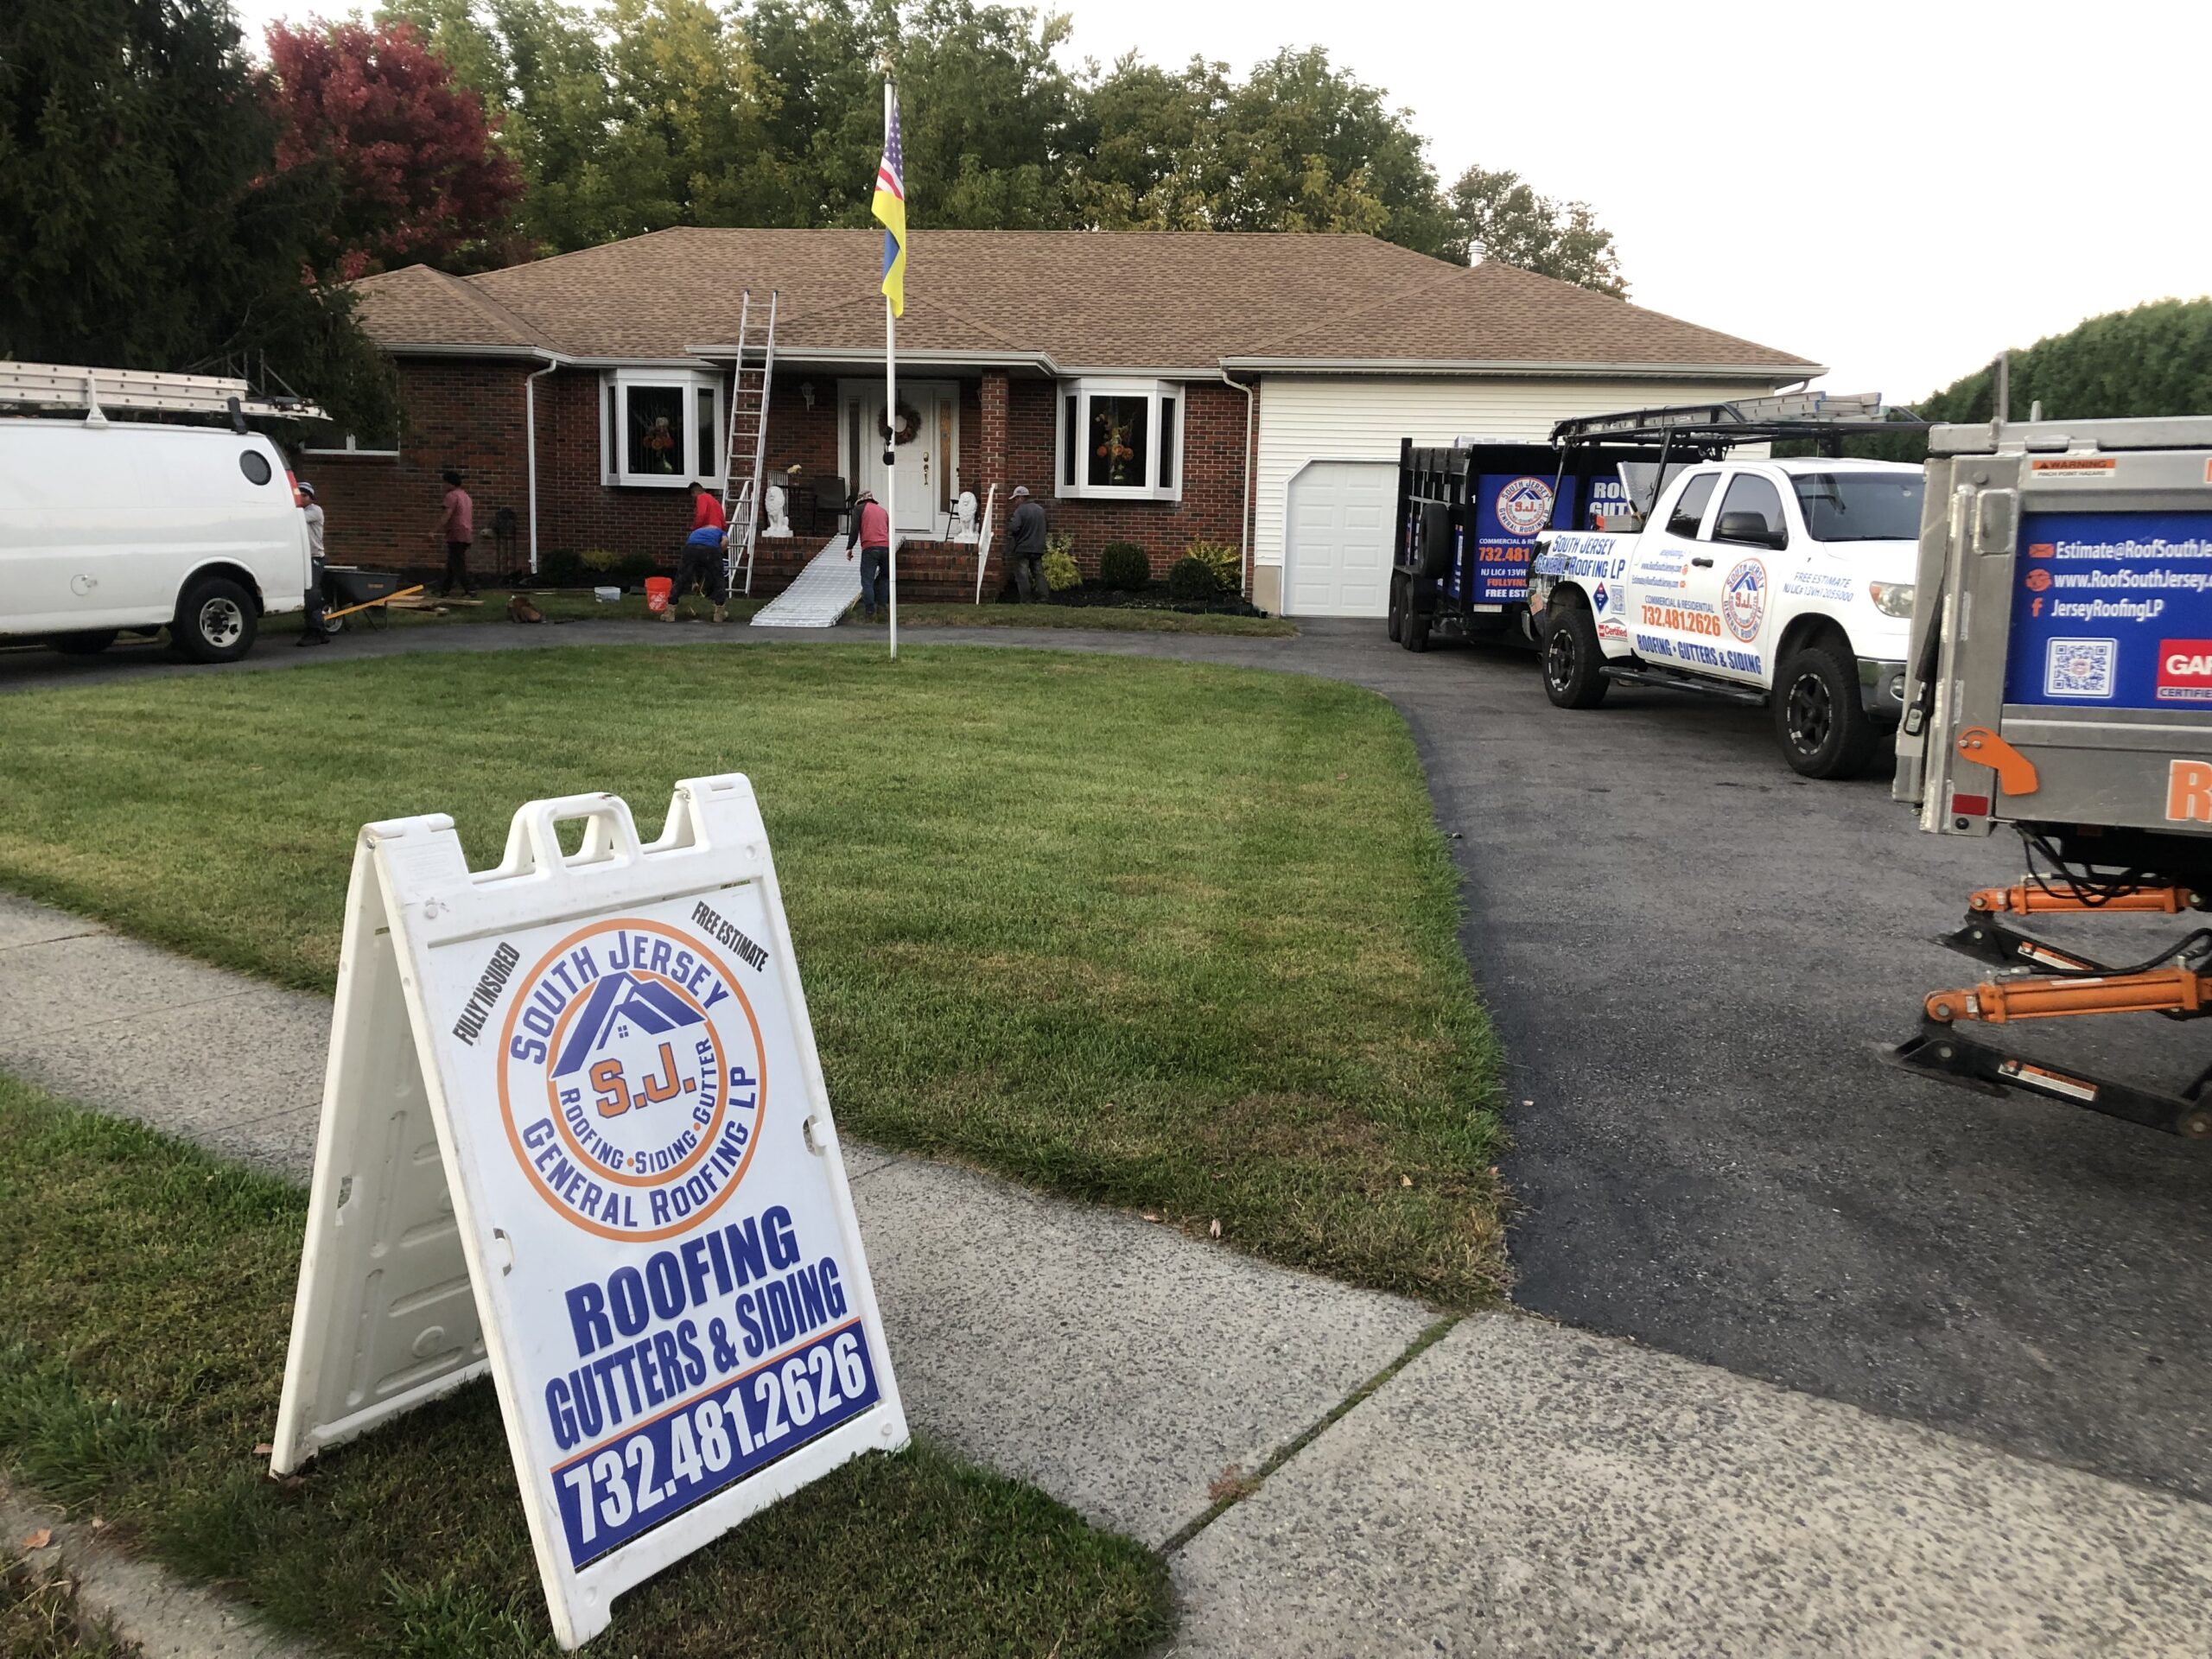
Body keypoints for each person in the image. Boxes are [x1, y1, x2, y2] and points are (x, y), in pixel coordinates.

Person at [665, 480, 730, 622]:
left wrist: (695, 528)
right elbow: (724, 525)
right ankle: (719, 611)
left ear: (695, 492)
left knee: (682, 576)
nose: (694, 500)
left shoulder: (702, 498)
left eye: (692, 497)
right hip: (714, 543)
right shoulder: (716, 503)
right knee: (718, 577)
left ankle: (670, 610)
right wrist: (718, 551)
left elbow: (700, 515)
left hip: (695, 543)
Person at [295, 480, 331, 647]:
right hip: (304, 559)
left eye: (305, 495)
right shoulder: (300, 511)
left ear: (311, 497)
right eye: (299, 494)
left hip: (315, 558)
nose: (302, 498)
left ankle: (315, 632)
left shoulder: (314, 511)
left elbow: (295, 519)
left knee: (312, 595)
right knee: (307, 595)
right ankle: (321, 632)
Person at [848, 488, 890, 620]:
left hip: (870, 548)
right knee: (885, 578)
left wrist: (849, 547)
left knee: (867, 580)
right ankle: (883, 608)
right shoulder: (883, 511)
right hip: (886, 548)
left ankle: (870, 611)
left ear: (860, 500)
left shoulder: (859, 509)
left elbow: (854, 529)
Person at [438, 470, 476, 597]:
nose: (443, 486)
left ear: (450, 483)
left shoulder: (451, 496)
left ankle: (470, 589)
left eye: (444, 483)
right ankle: (445, 589)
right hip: (466, 532)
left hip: (456, 533)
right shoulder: (466, 496)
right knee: (452, 563)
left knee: (458, 564)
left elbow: (447, 515)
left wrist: (434, 530)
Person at [1007, 484, 1046, 602]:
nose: (1015, 502)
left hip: (1023, 549)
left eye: (1015, 499)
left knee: (1022, 575)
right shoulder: (1040, 510)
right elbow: (1046, 527)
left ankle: (1026, 600)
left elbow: (1014, 528)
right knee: (1038, 573)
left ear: (1021, 498)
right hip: (1038, 548)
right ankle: (1044, 597)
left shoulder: (1020, 511)